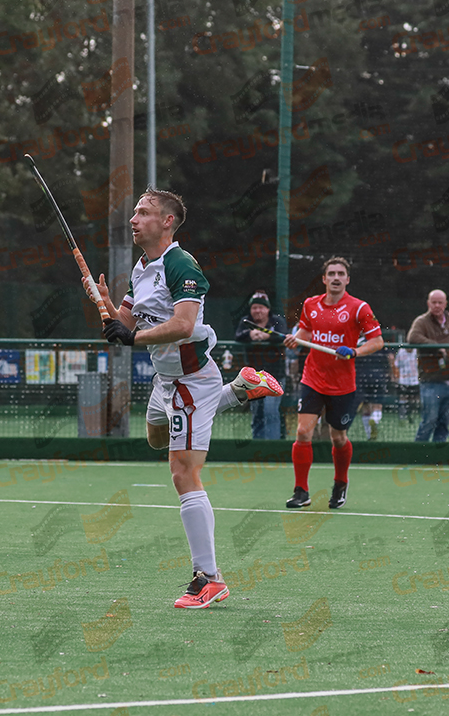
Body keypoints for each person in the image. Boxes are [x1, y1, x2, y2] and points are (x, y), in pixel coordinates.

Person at [91, 187, 283, 609]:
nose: (134, 219)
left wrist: (133, 336)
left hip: (191, 380)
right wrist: (106, 306)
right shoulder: (141, 267)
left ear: (167, 222)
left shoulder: (181, 264)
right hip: (166, 381)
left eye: (143, 213)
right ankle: (240, 390)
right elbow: (125, 322)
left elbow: (182, 324)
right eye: (135, 212)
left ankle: (209, 578)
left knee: (182, 473)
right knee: (157, 441)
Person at [284, 257, 383, 510]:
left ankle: (340, 483)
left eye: (341, 274)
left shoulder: (360, 308)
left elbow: (377, 341)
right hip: (312, 378)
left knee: (337, 438)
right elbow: (306, 332)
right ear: (324, 278)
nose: (336, 277)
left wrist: (355, 351)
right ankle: (301, 491)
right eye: (332, 273)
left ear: (347, 279)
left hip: (342, 385)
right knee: (303, 432)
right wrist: (296, 339)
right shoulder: (310, 304)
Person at [408, 289, 449, 443]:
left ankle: (437, 456)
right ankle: (419, 453)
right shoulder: (421, 321)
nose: (437, 305)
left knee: (444, 422)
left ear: (445, 304)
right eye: (434, 302)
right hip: (430, 381)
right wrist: (436, 346)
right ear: (428, 303)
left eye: (440, 302)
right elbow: (413, 337)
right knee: (429, 420)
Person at [234, 291, 287, 439]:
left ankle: (272, 445)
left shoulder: (277, 321)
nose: (258, 310)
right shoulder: (246, 321)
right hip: (253, 378)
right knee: (257, 412)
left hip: (276, 375)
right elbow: (238, 335)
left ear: (268, 309)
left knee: (270, 411)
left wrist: (267, 336)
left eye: (261, 307)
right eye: (254, 307)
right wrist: (250, 335)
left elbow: (283, 335)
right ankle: (258, 442)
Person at [354, 341, 391, 441]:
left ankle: (369, 436)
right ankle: (374, 419)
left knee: (365, 408)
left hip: (362, 378)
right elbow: (390, 358)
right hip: (379, 376)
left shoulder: (359, 342)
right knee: (377, 406)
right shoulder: (380, 342)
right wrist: (391, 373)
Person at [392, 345, 420, 421]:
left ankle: (411, 415)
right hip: (403, 380)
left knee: (413, 399)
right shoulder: (401, 351)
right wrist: (396, 376)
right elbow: (396, 365)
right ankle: (402, 416)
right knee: (403, 397)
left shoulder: (416, 351)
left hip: (415, 380)